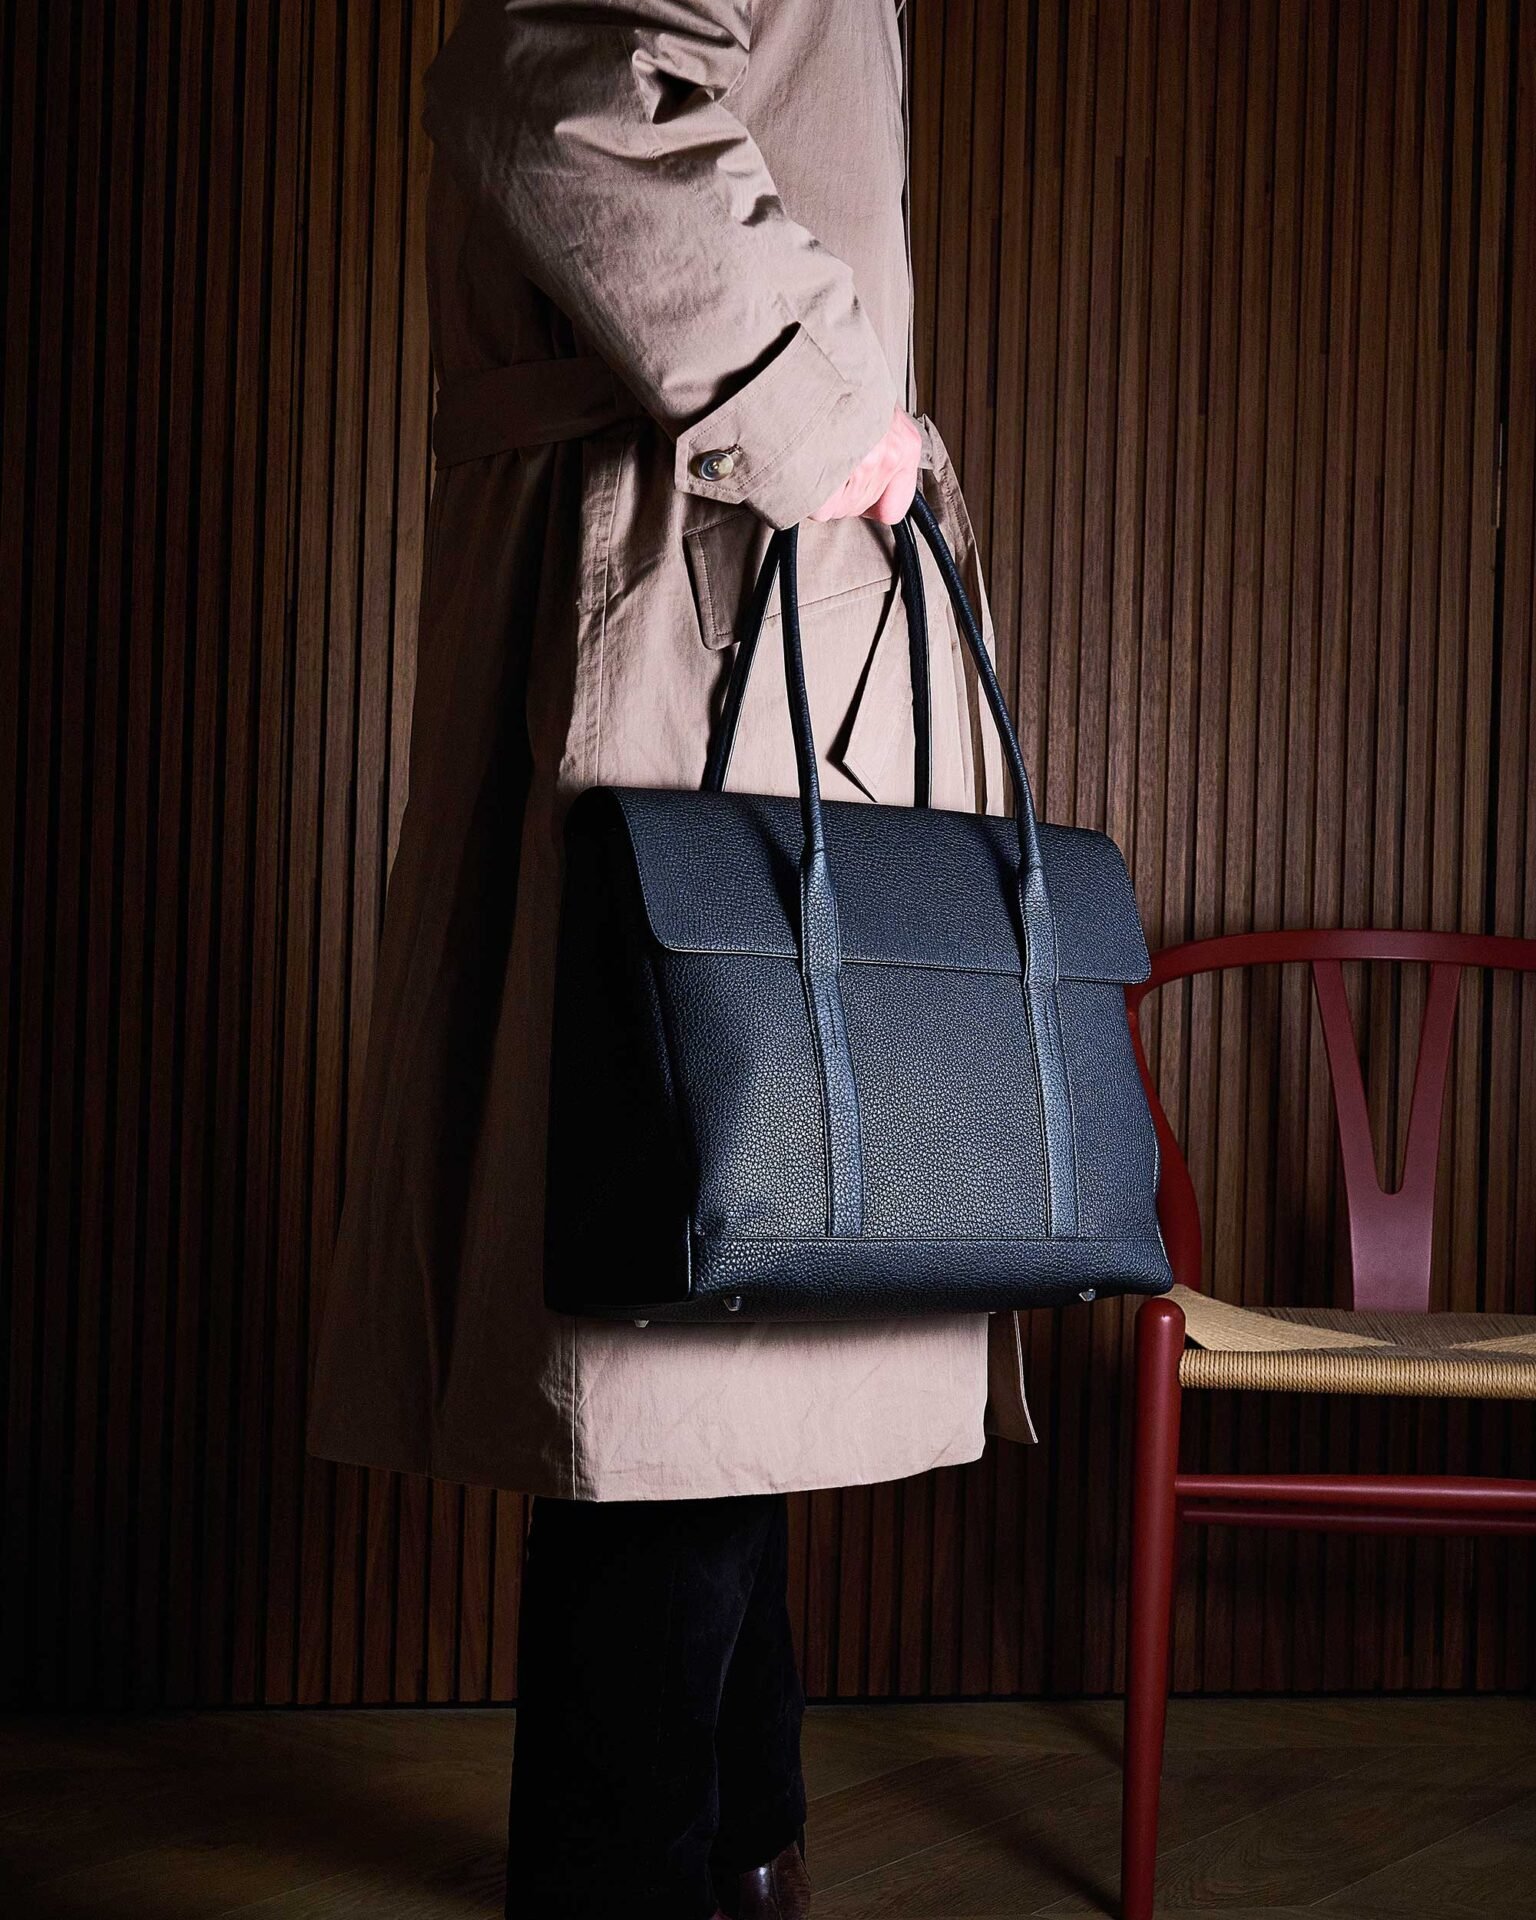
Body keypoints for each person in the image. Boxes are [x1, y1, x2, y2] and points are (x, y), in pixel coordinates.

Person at [306, 2, 1035, 1914]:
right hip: (694, 585)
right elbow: (558, 76)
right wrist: (827, 412)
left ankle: (735, 1839)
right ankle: (643, 1867)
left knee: (744, 1270)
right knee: (680, 1287)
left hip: (744, 591)